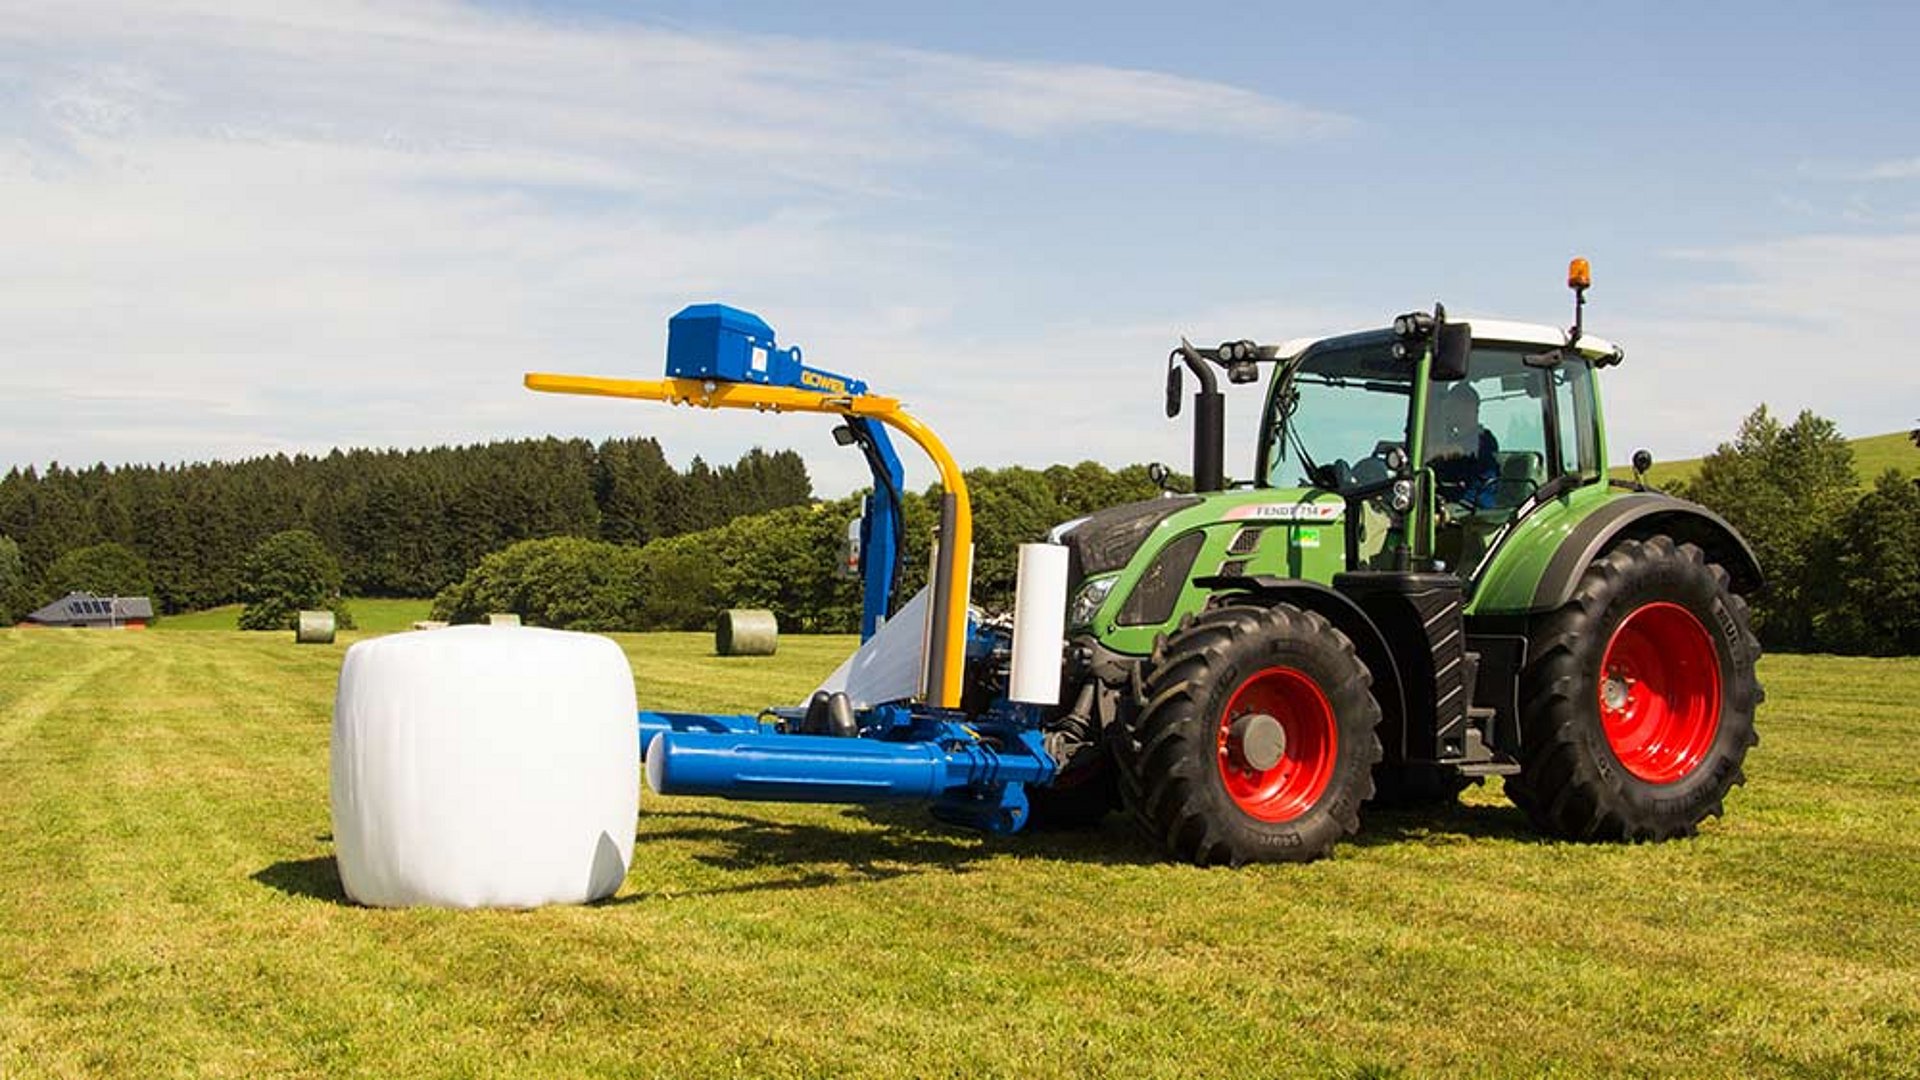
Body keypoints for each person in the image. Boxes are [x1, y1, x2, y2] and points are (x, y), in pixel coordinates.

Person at [1427, 382, 1500, 510]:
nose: (1446, 411)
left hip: (1475, 505)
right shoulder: (1451, 438)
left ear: (1469, 409)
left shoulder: (1483, 439)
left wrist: (1426, 453)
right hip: (1452, 500)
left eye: (1452, 406)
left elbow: (1456, 451)